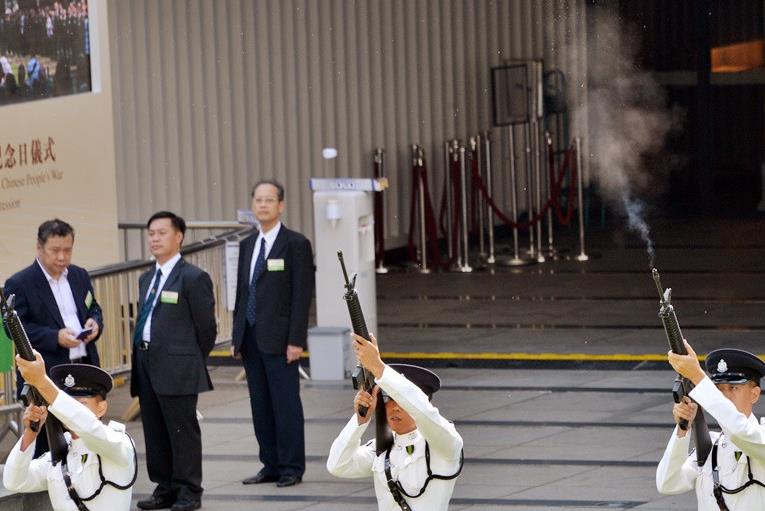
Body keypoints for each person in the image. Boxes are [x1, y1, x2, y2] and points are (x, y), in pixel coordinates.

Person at [131, 211, 216, 511]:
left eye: (161, 232)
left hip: (177, 367)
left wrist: (188, 359)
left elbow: (207, 329)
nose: (154, 238)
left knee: (182, 431)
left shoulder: (194, 278)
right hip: (145, 364)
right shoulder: (146, 278)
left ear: (178, 236)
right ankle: (163, 487)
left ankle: (189, 491)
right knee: (154, 430)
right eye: (151, 233)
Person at [231, 179, 314, 488]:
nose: (263, 204)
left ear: (281, 206)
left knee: (285, 404)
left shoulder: (295, 244)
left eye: (269, 200)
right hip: (252, 337)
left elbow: (301, 296)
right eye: (258, 199)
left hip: (281, 340)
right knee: (260, 405)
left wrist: (296, 340)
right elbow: (242, 292)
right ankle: (270, 464)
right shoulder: (247, 245)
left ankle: (292, 466)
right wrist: (237, 336)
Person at [327, 333, 464, 510]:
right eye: (389, 399)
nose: (395, 407)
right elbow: (337, 465)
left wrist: (378, 367)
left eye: (401, 401)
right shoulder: (383, 448)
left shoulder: (444, 443)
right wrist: (360, 421)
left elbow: (423, 412)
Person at [4, 218, 103, 458]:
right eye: (55, 251)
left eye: (67, 250)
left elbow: (93, 307)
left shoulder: (79, 275)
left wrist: (95, 323)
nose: (62, 257)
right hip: (48, 372)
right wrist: (53, 337)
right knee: (51, 444)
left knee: (87, 435)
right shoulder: (20, 283)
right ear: (39, 248)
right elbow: (14, 328)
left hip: (83, 368)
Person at [3, 356, 136, 510]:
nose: (70, 410)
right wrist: (31, 432)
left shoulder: (118, 442)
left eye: (81, 404)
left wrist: (42, 383)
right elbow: (14, 481)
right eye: (68, 401)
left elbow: (89, 427)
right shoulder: (62, 452)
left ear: (101, 408)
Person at [656, 340, 765, 509]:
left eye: (733, 388)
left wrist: (697, 377)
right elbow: (668, 483)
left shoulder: (760, 436)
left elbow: (739, 432)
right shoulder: (712, 446)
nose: (725, 396)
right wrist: (682, 429)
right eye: (719, 389)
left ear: (754, 394)